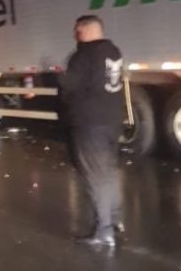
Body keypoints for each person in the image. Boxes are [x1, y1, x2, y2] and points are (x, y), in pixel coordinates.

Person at [59, 15, 125, 247]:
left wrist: (59, 77)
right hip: (112, 121)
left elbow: (69, 87)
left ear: (86, 31)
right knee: (108, 172)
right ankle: (115, 220)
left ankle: (103, 230)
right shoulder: (113, 51)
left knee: (96, 176)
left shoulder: (82, 56)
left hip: (89, 123)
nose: (75, 36)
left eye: (78, 31)